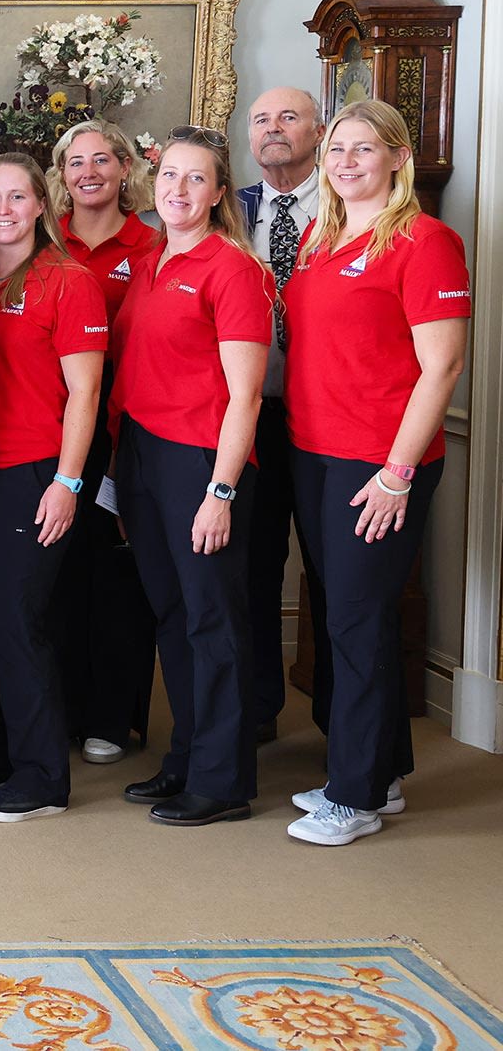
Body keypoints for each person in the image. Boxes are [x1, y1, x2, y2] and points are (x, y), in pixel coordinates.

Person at [282, 99, 468, 846]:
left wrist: (396, 471)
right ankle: (381, 770)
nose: (348, 161)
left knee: (357, 618)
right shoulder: (321, 242)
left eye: (366, 148)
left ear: (398, 157)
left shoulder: (427, 242)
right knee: (344, 614)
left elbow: (443, 364)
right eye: (337, 149)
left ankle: (352, 794)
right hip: (315, 452)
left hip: (379, 462)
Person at [108, 125, 271, 827]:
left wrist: (221, 491)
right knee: (172, 617)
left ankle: (223, 777)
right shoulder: (148, 261)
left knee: (212, 619)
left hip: (203, 460)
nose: (177, 189)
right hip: (145, 455)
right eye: (169, 175)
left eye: (195, 178)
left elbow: (247, 394)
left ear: (217, 192)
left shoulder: (231, 268)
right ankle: (186, 756)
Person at [0, 154, 106, 823]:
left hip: (35, 470)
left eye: (17, 197)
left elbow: (86, 392)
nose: (2, 209)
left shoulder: (68, 281)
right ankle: (3, 749)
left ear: (43, 204)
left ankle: (43, 775)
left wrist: (68, 482)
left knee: (19, 622)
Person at [49, 119, 156, 765]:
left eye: (101, 160)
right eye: (74, 162)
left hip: (123, 420)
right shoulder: (44, 242)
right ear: (60, 175)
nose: (87, 171)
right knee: (58, 569)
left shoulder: (149, 244)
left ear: (124, 168)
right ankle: (62, 704)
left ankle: (113, 716)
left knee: (116, 573)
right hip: (54, 423)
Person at [240, 87, 331, 743]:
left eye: (289, 117)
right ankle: (257, 709)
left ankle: (340, 721)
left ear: (320, 131)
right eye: (261, 119)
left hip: (331, 417)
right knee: (251, 567)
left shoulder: (349, 209)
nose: (274, 129)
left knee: (332, 572)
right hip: (249, 417)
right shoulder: (231, 210)